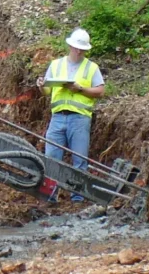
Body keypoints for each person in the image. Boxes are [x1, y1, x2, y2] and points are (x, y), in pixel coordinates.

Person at [36, 27, 105, 202]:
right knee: (52, 157)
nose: (79, 51)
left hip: (80, 118)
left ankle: (78, 198)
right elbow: (46, 91)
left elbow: (100, 91)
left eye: (82, 49)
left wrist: (80, 89)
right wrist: (40, 85)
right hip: (58, 117)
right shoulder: (56, 64)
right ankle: (50, 196)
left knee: (79, 159)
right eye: (76, 47)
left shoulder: (91, 67)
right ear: (70, 46)